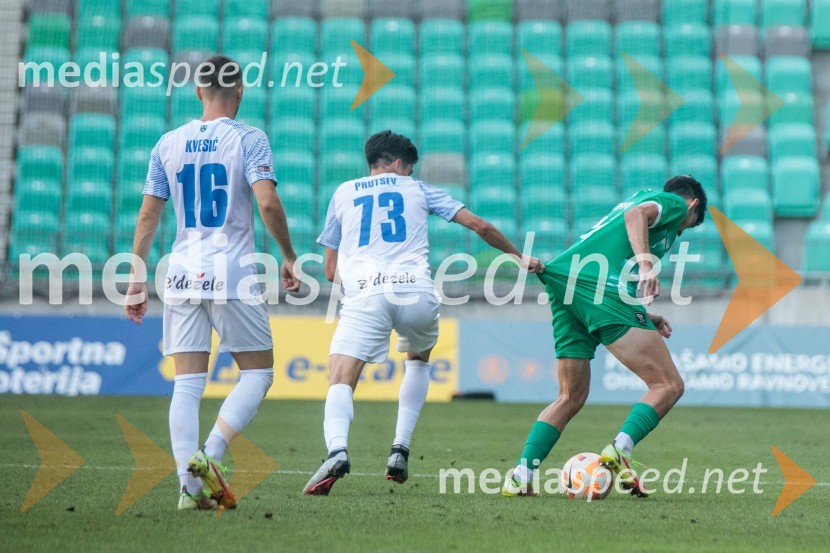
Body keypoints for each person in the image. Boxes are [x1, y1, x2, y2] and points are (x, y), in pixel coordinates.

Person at [303, 130, 543, 495]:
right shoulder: (418, 189)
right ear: (399, 164)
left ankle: (337, 449)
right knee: (418, 359)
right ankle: (400, 448)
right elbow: (480, 225)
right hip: (415, 289)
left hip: (366, 293)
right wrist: (519, 256)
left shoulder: (343, 194)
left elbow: (330, 271)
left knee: (341, 376)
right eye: (409, 167)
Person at [124, 55, 299, 510]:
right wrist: (289, 255)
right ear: (240, 92)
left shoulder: (167, 143)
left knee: (187, 384)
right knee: (258, 372)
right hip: (232, 269)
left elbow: (148, 214)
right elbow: (267, 203)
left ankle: (189, 490)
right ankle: (211, 454)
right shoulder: (249, 138)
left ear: (198, 92)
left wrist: (136, 278)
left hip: (180, 270)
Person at [502, 176, 708, 497]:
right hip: (599, 289)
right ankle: (619, 449)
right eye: (687, 226)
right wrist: (646, 266)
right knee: (668, 385)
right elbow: (635, 217)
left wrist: (643, 314)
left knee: (569, 397)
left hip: (566, 283)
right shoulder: (673, 202)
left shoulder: (637, 196)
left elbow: (614, 247)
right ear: (692, 204)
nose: (680, 231)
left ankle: (520, 476)